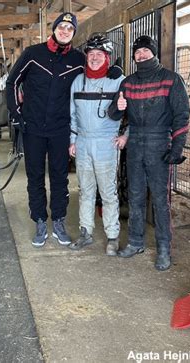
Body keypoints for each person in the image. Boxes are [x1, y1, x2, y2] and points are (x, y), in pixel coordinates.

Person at [6, 13, 123, 248]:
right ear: (55, 28)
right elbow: (12, 82)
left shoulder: (79, 59)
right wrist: (17, 115)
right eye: (62, 26)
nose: (65, 30)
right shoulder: (32, 54)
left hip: (61, 129)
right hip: (33, 129)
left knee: (60, 178)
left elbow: (94, 71)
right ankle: (40, 220)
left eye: (70, 28)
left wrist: (116, 70)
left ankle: (58, 220)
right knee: (35, 177)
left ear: (73, 32)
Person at [108, 35, 190, 270]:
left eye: (145, 50)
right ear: (134, 56)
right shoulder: (128, 83)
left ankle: (164, 248)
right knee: (134, 197)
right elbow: (114, 114)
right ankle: (135, 242)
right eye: (138, 51)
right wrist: (117, 107)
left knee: (160, 201)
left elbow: (181, 115)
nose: (141, 54)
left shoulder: (171, 80)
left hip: (158, 144)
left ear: (154, 53)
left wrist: (177, 148)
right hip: (135, 147)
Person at [67, 33, 126, 256]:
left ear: (107, 57)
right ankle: (86, 233)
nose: (94, 58)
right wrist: (72, 141)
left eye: (99, 54)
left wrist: (125, 136)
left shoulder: (119, 81)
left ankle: (112, 236)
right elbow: (72, 114)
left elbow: (135, 114)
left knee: (108, 192)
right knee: (85, 191)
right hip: (82, 142)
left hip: (106, 143)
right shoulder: (77, 81)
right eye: (91, 54)